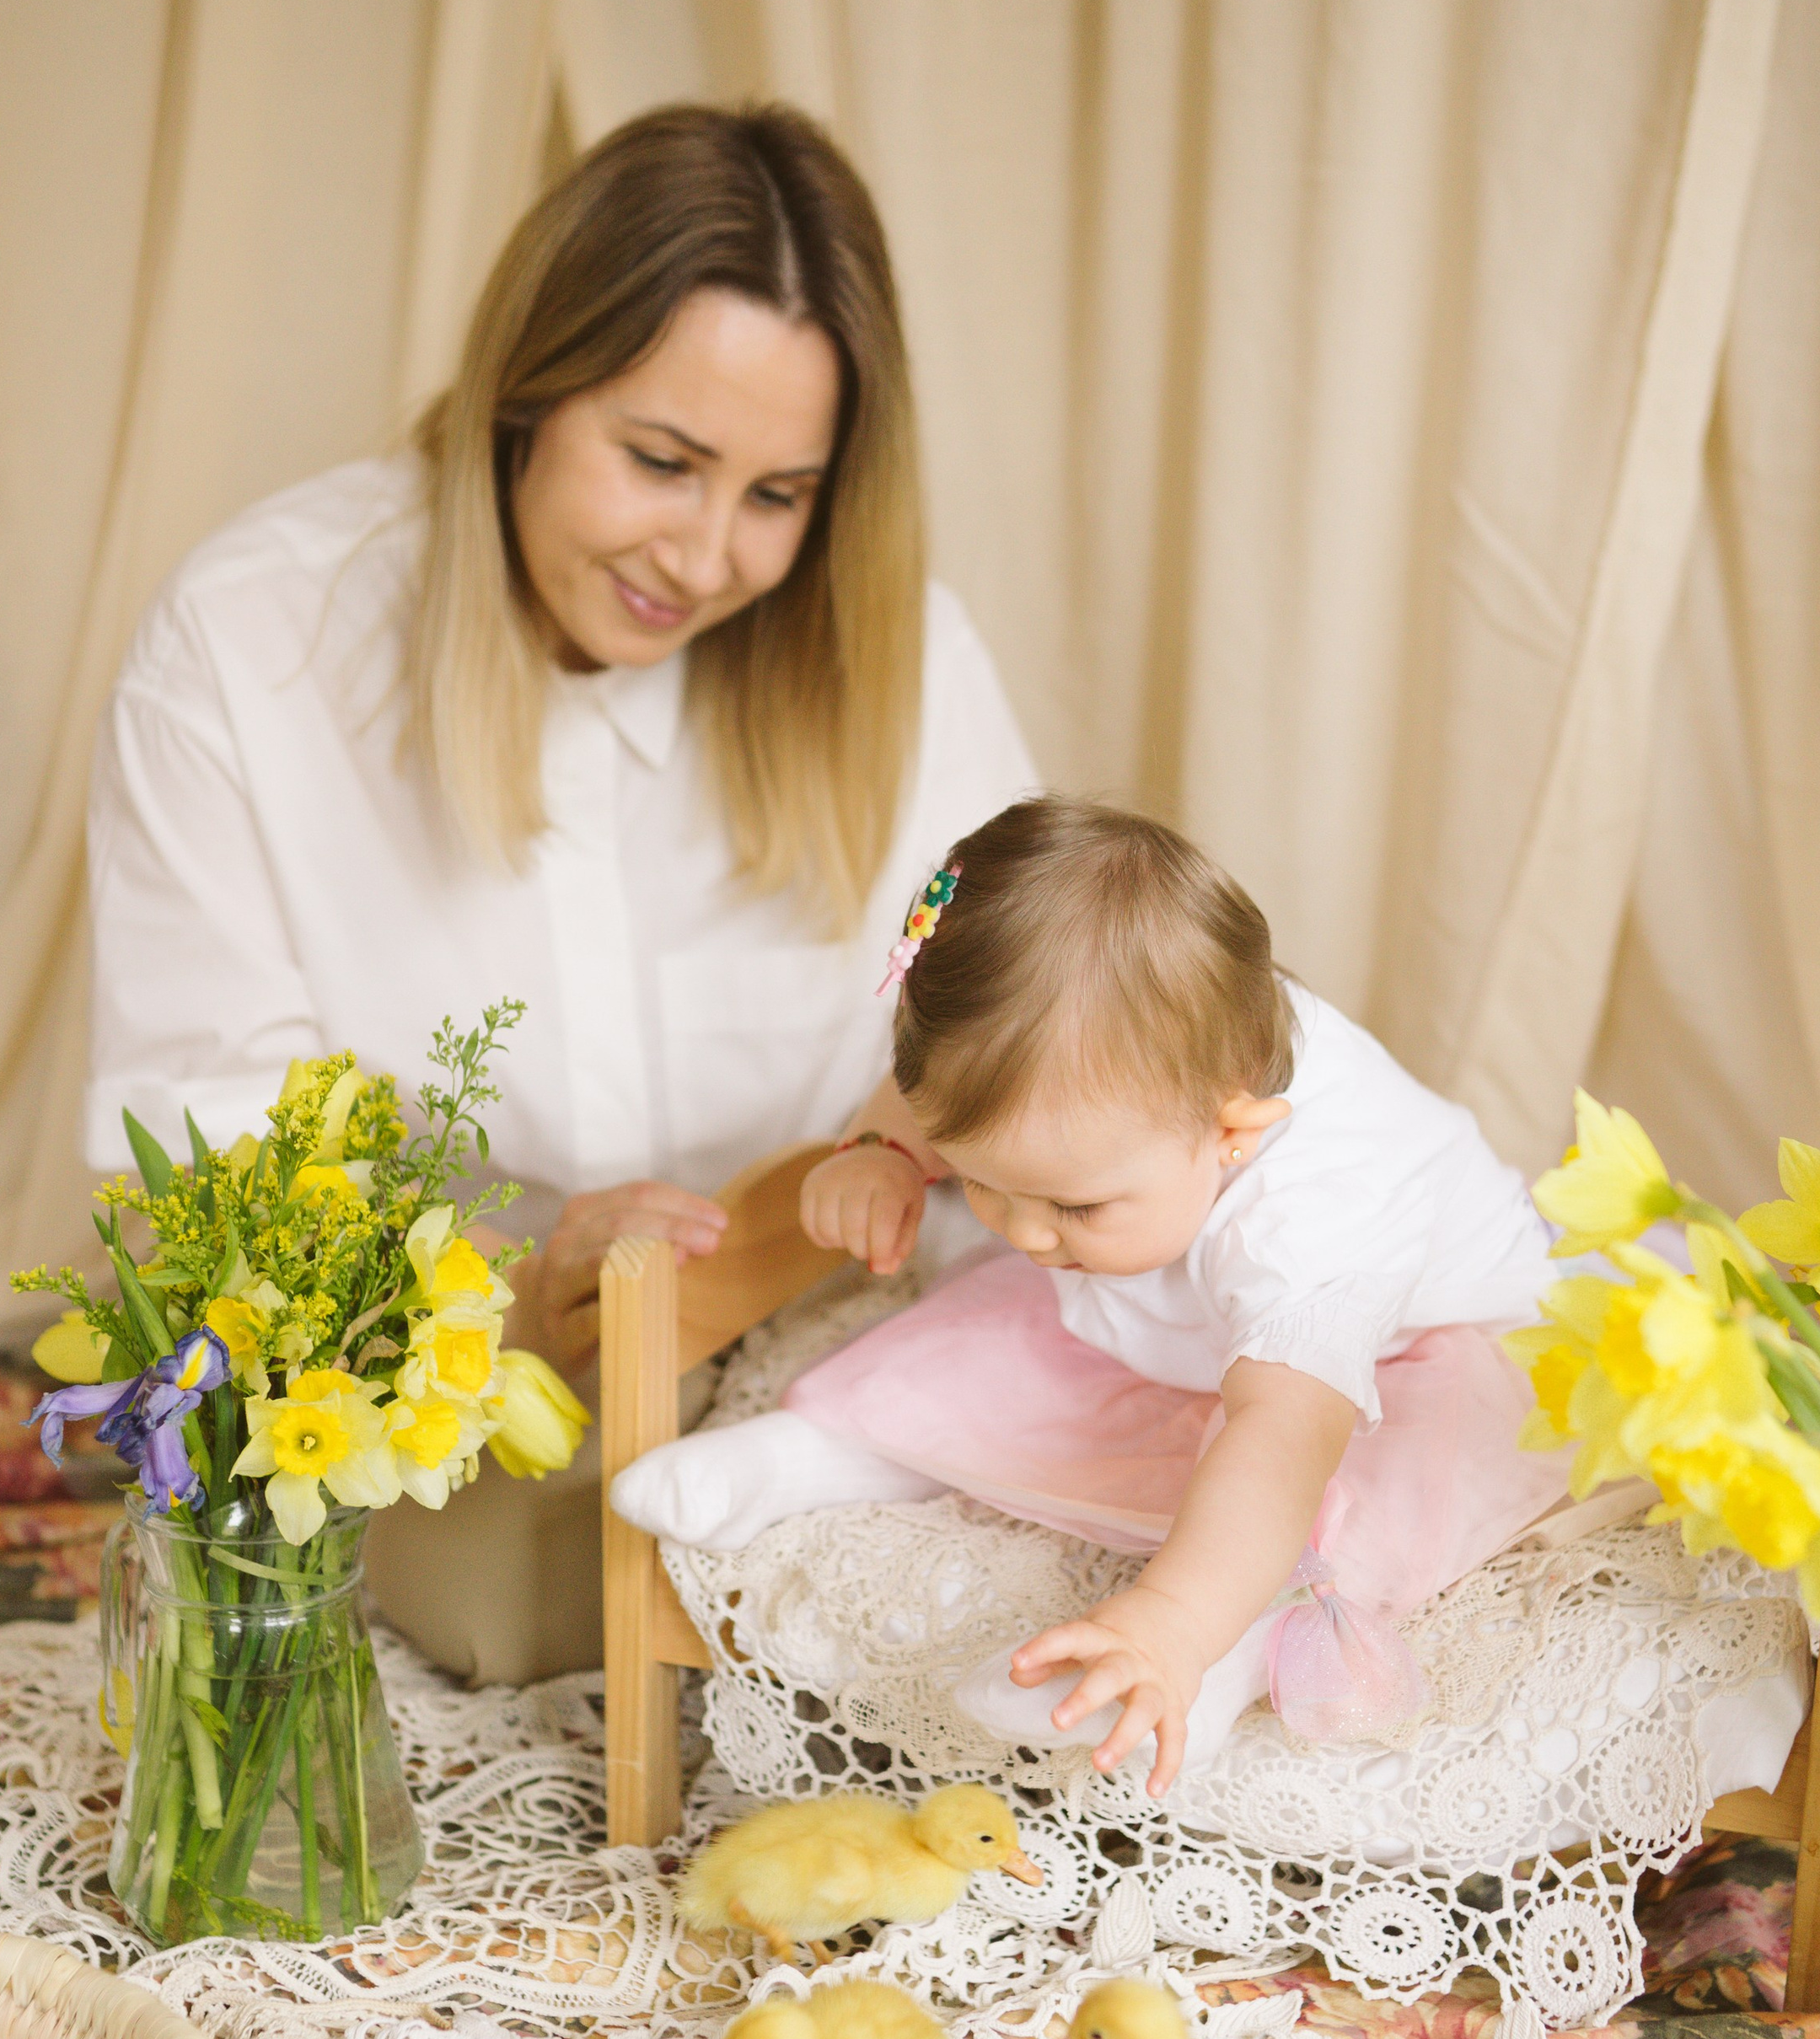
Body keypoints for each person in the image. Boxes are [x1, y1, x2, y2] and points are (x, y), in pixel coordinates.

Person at [87, 102, 1036, 1386]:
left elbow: (1032, 1044)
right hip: (411, 1437)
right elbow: (201, 1186)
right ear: (526, 394)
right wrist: (509, 1309)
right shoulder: (246, 649)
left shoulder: (910, 661)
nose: (704, 561)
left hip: (836, 1405)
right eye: (660, 461)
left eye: (775, 497)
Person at [613, 797, 1577, 1789]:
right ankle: (825, 1450)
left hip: (1413, 1344)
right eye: (977, 1178)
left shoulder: (1320, 1219)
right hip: (1189, 1301)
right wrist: (884, 1151)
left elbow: (1280, 1436)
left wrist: (1169, 1618)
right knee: (993, 1313)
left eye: (1071, 1204)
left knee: (1375, 1488)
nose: (1024, 1228)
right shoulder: (1122, 1089)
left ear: (1234, 1134)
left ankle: (1216, 1658)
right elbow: (940, 1083)